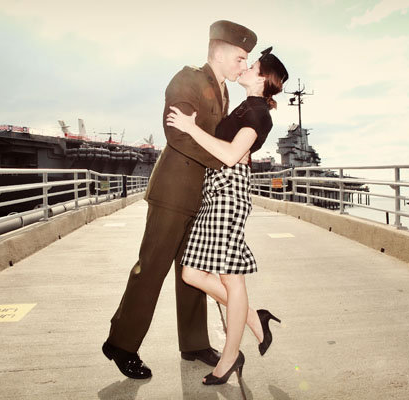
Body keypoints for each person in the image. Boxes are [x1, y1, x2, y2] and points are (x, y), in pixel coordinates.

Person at [102, 20, 257, 380]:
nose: (243, 66)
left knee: (194, 273)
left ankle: (194, 343)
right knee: (151, 268)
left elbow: (213, 137)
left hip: (201, 195)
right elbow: (177, 132)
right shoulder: (187, 79)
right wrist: (226, 157)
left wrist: (237, 151)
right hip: (173, 192)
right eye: (240, 58)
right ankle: (121, 344)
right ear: (219, 51)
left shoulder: (223, 90)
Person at [166, 46, 288, 385]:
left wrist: (190, 128)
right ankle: (252, 318)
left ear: (262, 79)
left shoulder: (259, 113)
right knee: (191, 272)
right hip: (214, 189)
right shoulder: (247, 106)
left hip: (229, 192)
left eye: (253, 66)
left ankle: (230, 357)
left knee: (231, 279)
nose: (245, 67)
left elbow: (233, 155)